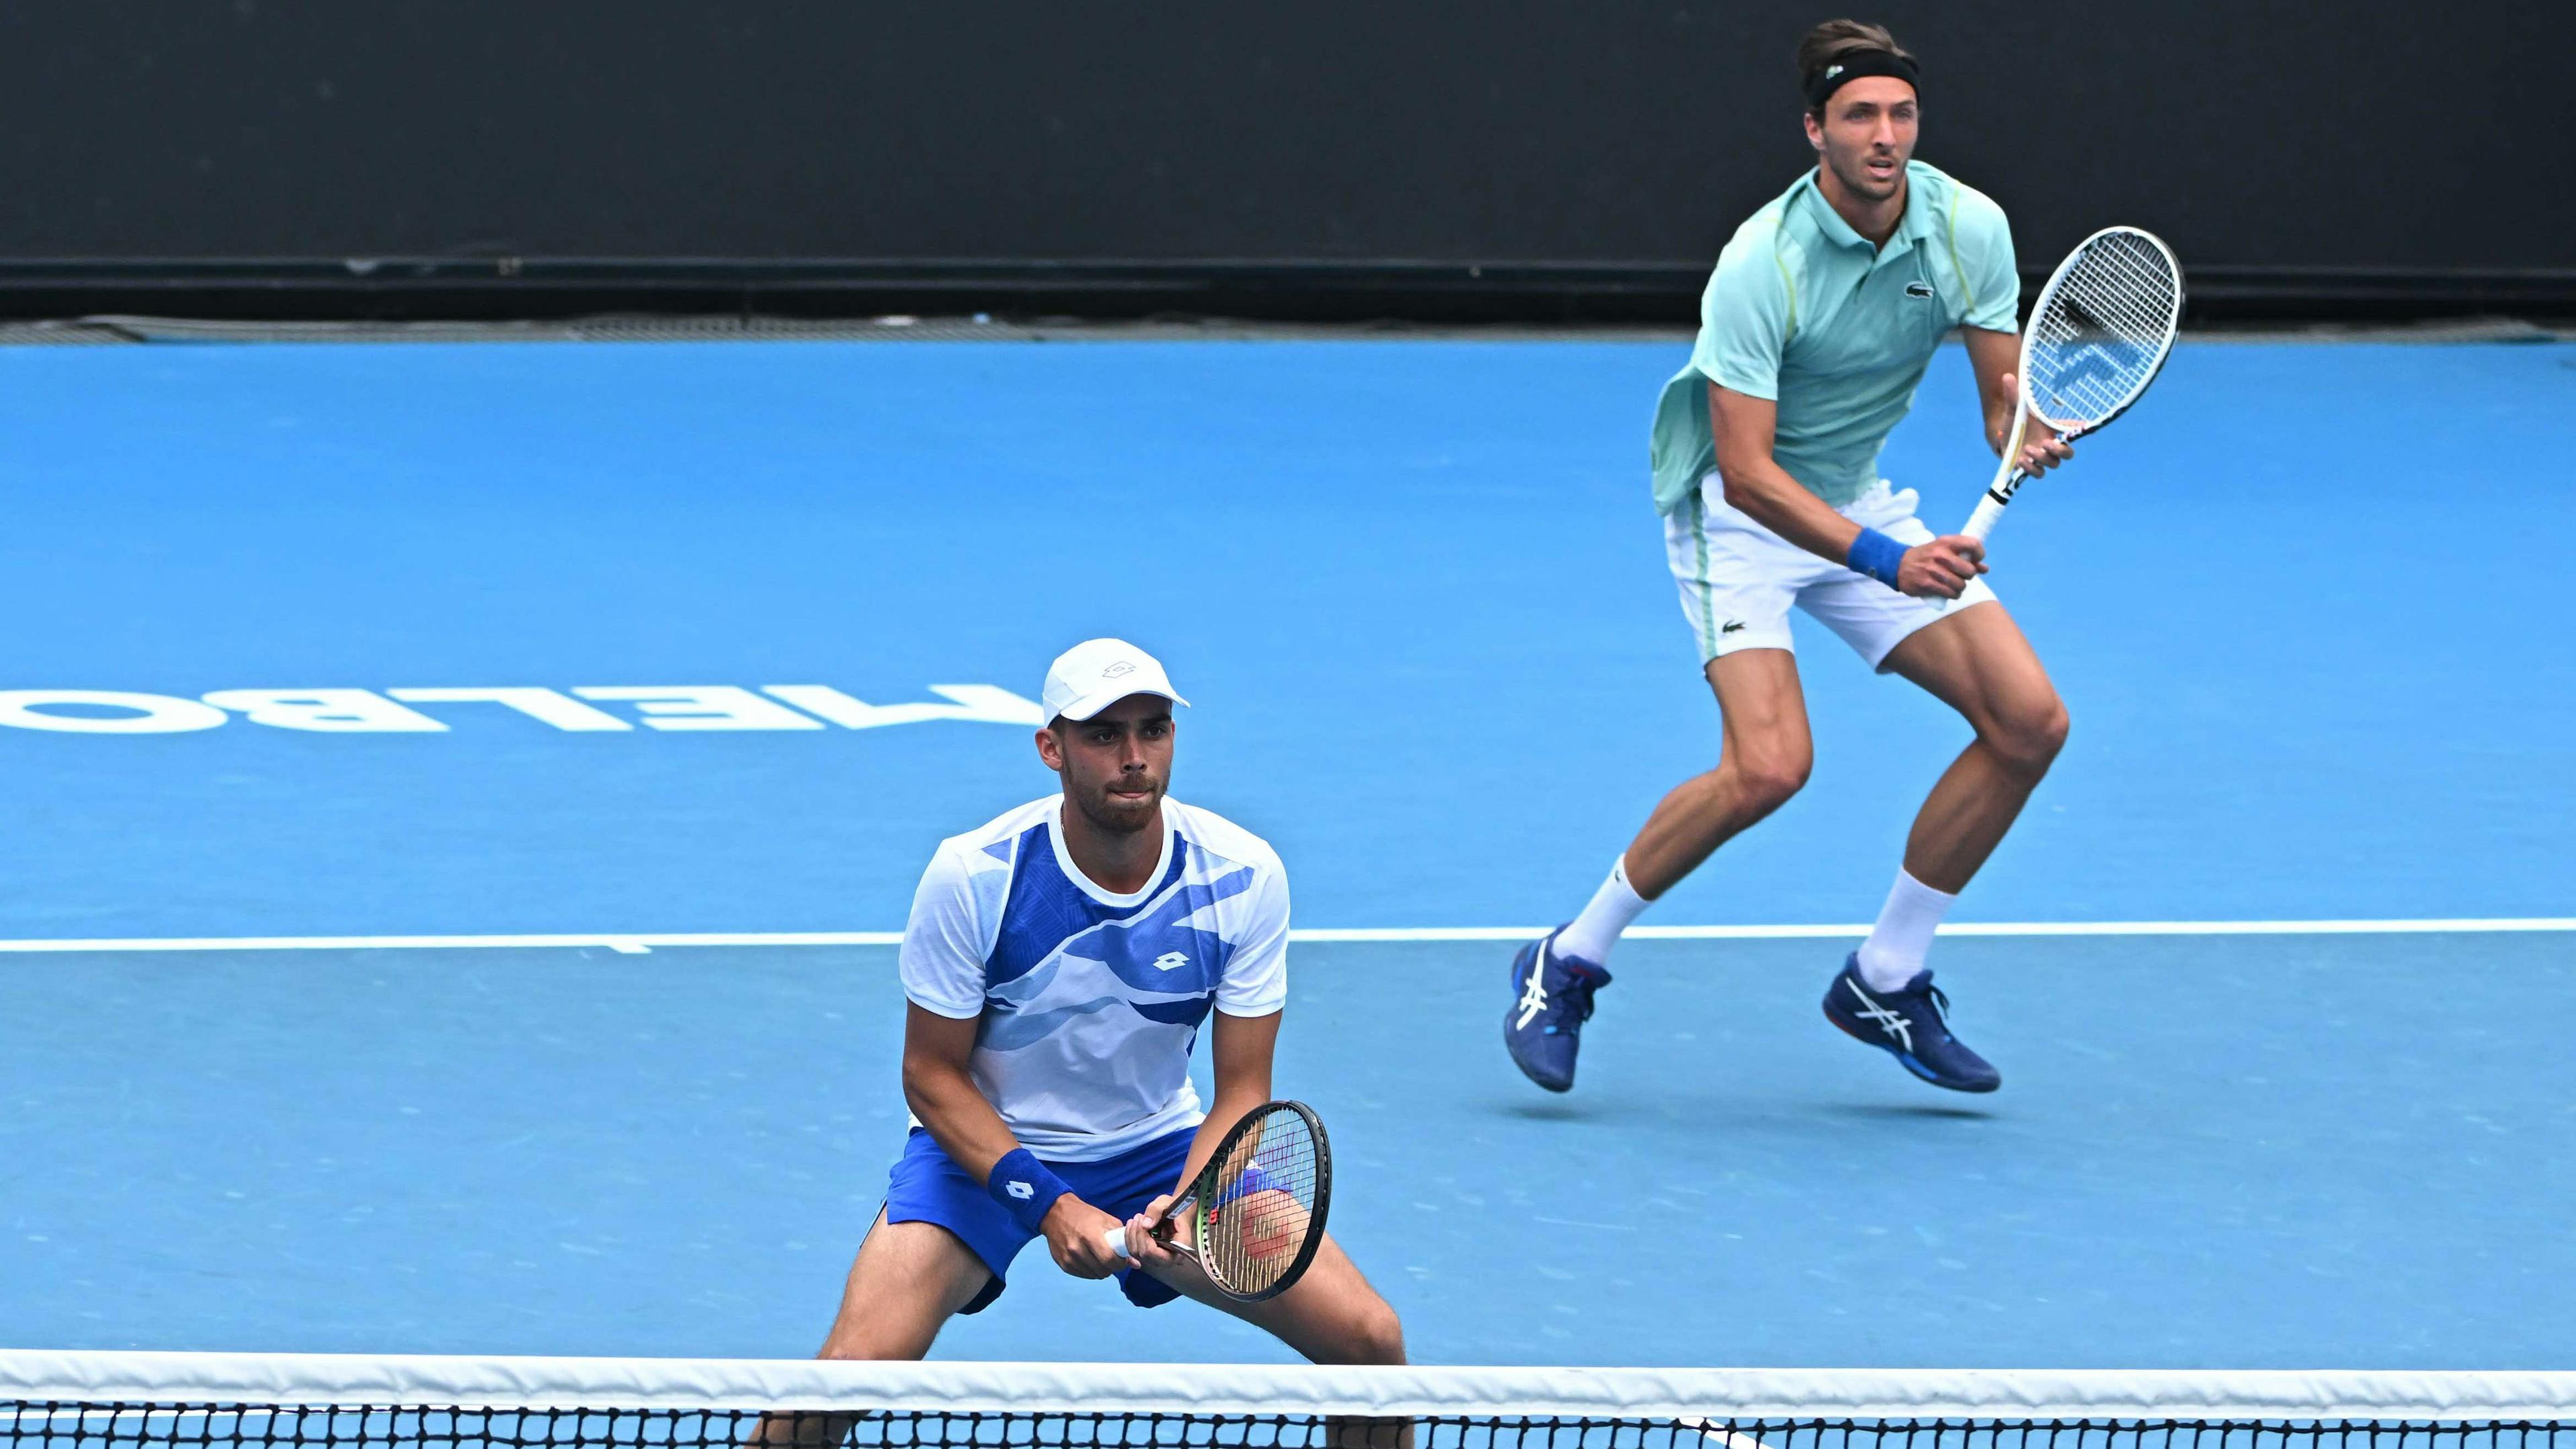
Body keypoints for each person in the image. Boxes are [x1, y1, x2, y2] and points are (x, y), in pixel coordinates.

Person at [1503, 19, 2073, 1096]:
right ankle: (1568, 959)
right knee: (1768, 767)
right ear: (1816, 130)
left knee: (2030, 723)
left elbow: (2005, 391)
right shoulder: (1762, 261)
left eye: (1902, 114)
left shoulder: (1969, 228)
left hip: (1855, 492)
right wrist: (1884, 561)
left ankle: (1886, 976)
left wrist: (2025, 430)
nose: (1886, 136)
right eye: (1860, 115)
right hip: (1739, 515)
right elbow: (1751, 471)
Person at [812, 637, 1406, 1373]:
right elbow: (931, 1076)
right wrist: (1050, 1204)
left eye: (1153, 729)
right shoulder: (975, 875)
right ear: (1050, 748)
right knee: (847, 1372)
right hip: (984, 1152)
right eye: (1104, 734)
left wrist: (1186, 1204)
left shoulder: (1243, 875)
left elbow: (1246, 1089)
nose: (1135, 756)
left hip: (1157, 1150)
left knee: (1371, 1344)